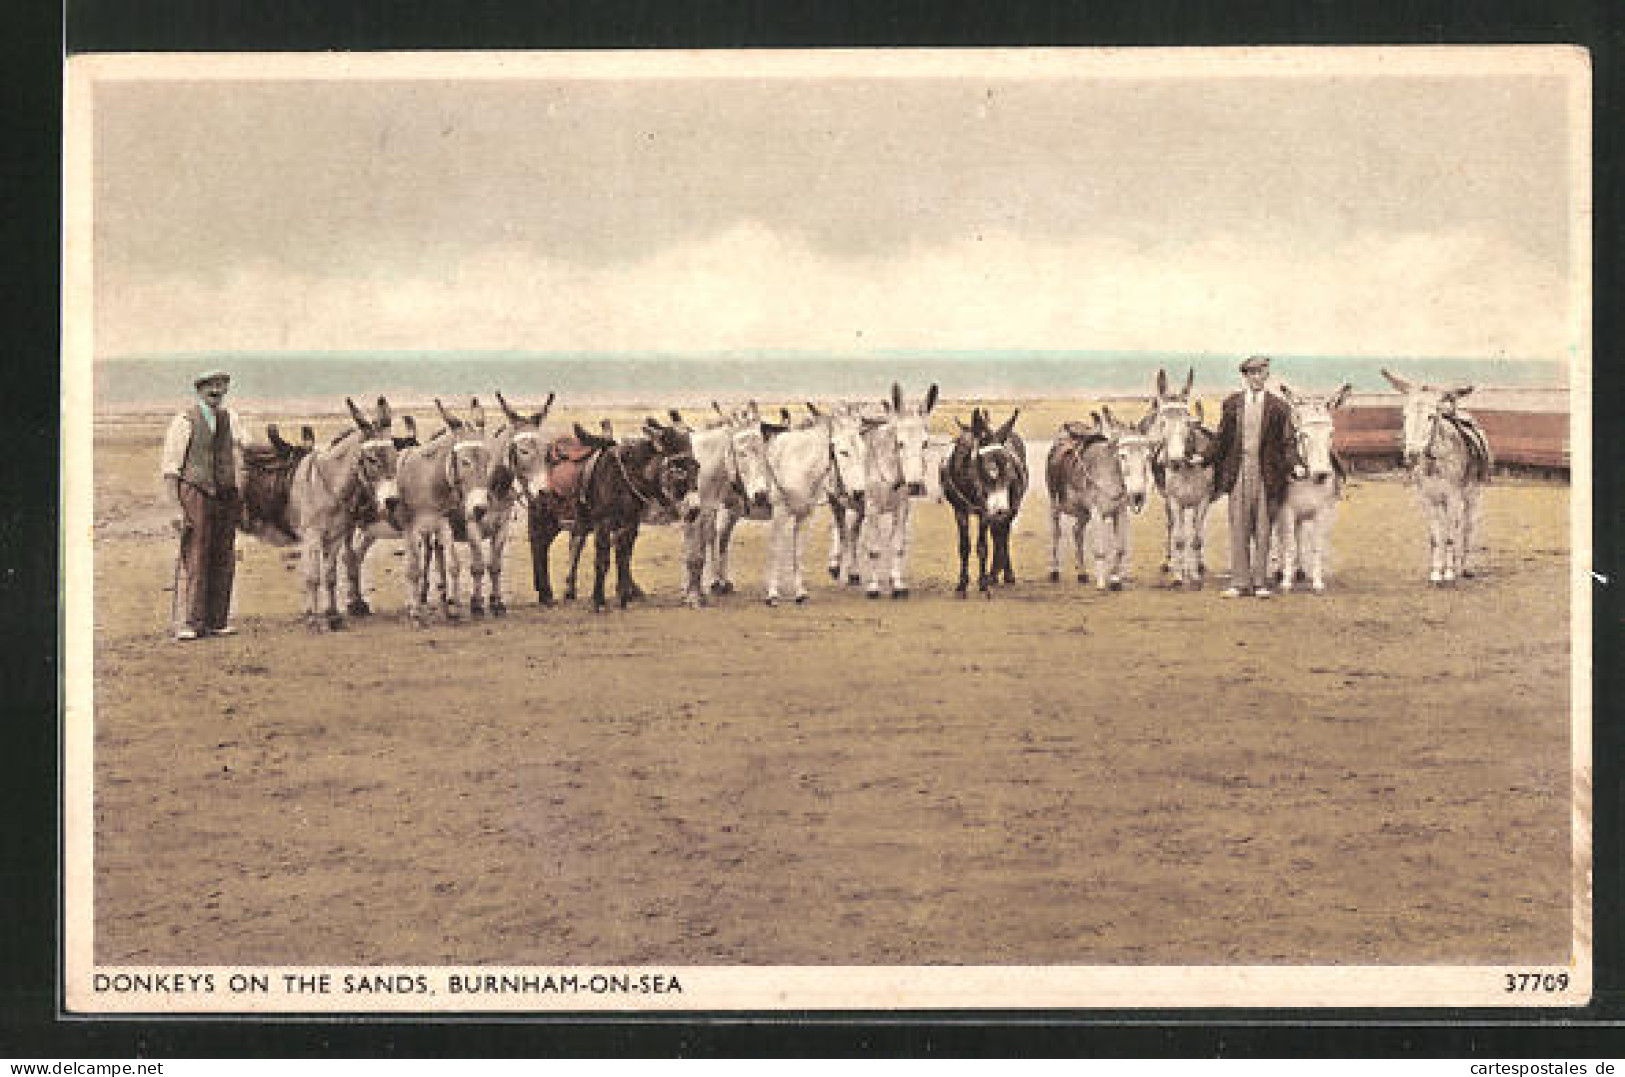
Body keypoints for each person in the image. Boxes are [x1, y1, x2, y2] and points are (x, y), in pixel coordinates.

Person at [1191, 355, 1302, 598]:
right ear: (1245, 376)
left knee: (1263, 527)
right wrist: (1204, 457)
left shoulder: (1279, 407)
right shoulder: (1232, 404)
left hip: (1267, 474)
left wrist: (1295, 465)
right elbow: (1222, 439)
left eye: (1260, 372)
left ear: (1267, 375)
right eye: (1251, 373)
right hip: (1238, 472)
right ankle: (1240, 582)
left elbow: (1288, 442)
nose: (1256, 377)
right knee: (1238, 526)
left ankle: (1260, 583)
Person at [160, 370, 248, 639]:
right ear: (200, 390)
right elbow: (171, 469)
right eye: (210, 386)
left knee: (224, 555)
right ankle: (192, 623)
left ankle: (217, 621)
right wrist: (176, 508)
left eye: (221, 386)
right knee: (196, 554)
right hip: (195, 492)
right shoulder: (184, 421)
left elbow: (247, 446)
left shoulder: (230, 418)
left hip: (225, 495)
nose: (216, 390)